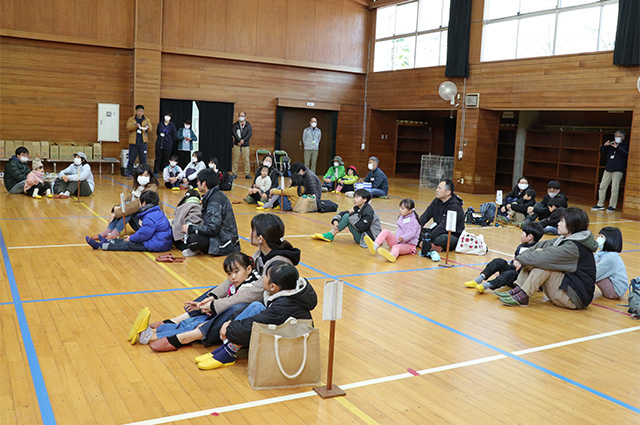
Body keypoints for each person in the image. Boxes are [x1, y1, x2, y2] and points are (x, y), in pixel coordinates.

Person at [134, 213, 301, 351]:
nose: (249, 233)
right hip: (250, 299)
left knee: (230, 308)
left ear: (261, 238)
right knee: (221, 288)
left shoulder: (278, 262)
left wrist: (217, 305)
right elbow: (238, 279)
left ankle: (177, 337)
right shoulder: (261, 252)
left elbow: (253, 294)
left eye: (253, 230)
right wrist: (214, 297)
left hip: (263, 310)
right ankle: (175, 321)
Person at [196, 261, 317, 370]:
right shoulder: (281, 294)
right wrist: (230, 322)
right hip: (282, 336)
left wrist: (230, 328)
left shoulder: (284, 306)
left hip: (291, 348)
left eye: (265, 276)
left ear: (273, 286)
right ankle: (226, 349)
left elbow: (253, 324)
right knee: (256, 306)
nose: (262, 278)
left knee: (249, 328)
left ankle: (228, 352)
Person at [131, 252, 261, 349]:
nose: (232, 277)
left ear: (249, 269)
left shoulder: (249, 286)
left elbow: (234, 303)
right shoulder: (240, 280)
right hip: (221, 313)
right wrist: (207, 303)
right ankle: (155, 331)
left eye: (236, 272)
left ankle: (152, 336)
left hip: (227, 318)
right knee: (190, 321)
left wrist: (211, 306)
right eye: (229, 274)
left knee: (192, 324)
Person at [498, 207, 597, 309]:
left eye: (562, 221)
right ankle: (519, 290)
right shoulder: (566, 238)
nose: (558, 223)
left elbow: (543, 257)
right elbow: (541, 245)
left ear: (572, 224)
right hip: (567, 287)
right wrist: (520, 257)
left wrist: (520, 259)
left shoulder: (573, 247)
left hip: (575, 298)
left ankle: (523, 296)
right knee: (535, 257)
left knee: (542, 264)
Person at [464, 222, 543, 294]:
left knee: (509, 274)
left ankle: (487, 285)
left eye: (523, 233)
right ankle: (479, 279)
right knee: (498, 261)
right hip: (513, 270)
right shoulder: (521, 246)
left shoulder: (537, 250)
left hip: (520, 279)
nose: (521, 235)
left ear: (529, 237)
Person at [86, 191, 172, 252]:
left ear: (144, 203)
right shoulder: (155, 213)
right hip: (158, 242)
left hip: (157, 245)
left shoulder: (150, 217)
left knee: (128, 244)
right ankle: (108, 241)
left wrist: (131, 238)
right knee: (127, 240)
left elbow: (143, 234)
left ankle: (101, 246)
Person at [181, 168, 240, 257]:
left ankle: (199, 248)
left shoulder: (215, 201)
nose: (197, 183)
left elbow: (212, 229)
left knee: (192, 239)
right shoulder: (212, 195)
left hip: (225, 242)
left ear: (204, 183)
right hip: (219, 235)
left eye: (198, 181)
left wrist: (191, 229)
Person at [91, 164, 158, 240]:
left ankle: (113, 232)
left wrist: (116, 213)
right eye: (141, 175)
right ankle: (109, 231)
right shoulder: (137, 188)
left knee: (130, 209)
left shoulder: (152, 189)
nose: (143, 178)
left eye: (146, 175)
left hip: (147, 223)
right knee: (127, 206)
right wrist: (115, 209)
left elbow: (137, 204)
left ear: (150, 176)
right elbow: (126, 201)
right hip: (138, 221)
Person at [312, 188, 381, 248]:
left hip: (369, 239)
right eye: (354, 197)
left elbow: (361, 227)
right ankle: (331, 233)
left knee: (348, 217)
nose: (354, 199)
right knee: (347, 216)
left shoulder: (368, 211)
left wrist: (352, 215)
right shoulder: (358, 207)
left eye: (357, 197)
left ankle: (331, 234)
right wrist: (336, 220)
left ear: (364, 199)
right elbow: (345, 213)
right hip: (363, 235)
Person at [364, 198, 421, 263]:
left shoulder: (414, 221)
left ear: (410, 211)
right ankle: (375, 245)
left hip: (409, 245)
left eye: (403, 209)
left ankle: (392, 256)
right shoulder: (402, 216)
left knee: (397, 247)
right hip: (398, 241)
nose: (400, 210)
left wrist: (403, 238)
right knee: (386, 231)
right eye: (400, 208)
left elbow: (411, 233)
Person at [419, 179, 465, 251]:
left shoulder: (455, 206)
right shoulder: (437, 200)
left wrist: (428, 238)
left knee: (442, 239)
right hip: (436, 230)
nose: (436, 190)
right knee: (418, 232)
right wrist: (416, 228)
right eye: (437, 188)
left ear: (448, 192)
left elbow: (443, 227)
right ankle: (428, 244)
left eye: (439, 188)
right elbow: (426, 215)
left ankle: (430, 245)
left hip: (451, 234)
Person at [593, 130, 629, 213]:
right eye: (615, 136)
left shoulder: (625, 145)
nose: (616, 138)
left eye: (618, 136)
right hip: (608, 169)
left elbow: (625, 154)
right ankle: (600, 204)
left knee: (614, 189)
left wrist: (617, 147)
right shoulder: (611, 145)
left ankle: (612, 206)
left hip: (618, 170)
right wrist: (604, 146)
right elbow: (602, 152)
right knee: (602, 186)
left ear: (623, 137)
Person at [594, 226, 628, 300]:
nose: (599, 238)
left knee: (591, 272)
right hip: (612, 287)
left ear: (610, 239)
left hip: (615, 291)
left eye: (602, 236)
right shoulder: (602, 253)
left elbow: (595, 272)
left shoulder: (610, 257)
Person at [126, 104, 152, 180]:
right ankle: (130, 174)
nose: (140, 113)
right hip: (134, 143)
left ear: (143, 112)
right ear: (136, 111)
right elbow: (128, 127)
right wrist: (135, 126)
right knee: (131, 159)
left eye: (141, 111)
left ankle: (143, 174)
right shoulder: (131, 119)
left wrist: (147, 128)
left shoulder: (146, 120)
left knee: (143, 159)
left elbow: (150, 129)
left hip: (143, 143)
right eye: (138, 111)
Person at [231, 111, 252, 179]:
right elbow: (234, 133)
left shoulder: (248, 125)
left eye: (242, 116)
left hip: (245, 145)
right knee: (235, 159)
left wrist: (243, 140)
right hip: (237, 145)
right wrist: (239, 140)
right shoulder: (235, 125)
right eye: (240, 115)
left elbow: (249, 134)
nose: (241, 117)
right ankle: (234, 173)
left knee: (246, 160)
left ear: (245, 117)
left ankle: (247, 173)